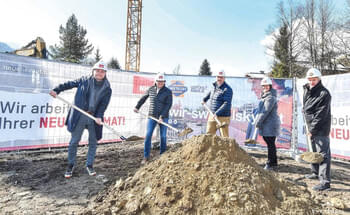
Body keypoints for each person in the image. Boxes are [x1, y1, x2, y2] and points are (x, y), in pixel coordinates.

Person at [49, 60, 112, 178]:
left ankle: (89, 164)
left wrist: (98, 116)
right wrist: (57, 90)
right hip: (80, 115)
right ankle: (70, 164)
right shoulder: (84, 80)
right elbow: (69, 84)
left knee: (93, 142)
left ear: (105, 73)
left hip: (94, 117)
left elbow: (103, 104)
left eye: (102, 71)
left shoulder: (107, 88)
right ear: (93, 71)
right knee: (74, 141)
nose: (99, 73)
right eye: (97, 70)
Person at [134, 72, 173, 164]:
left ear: (164, 82)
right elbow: (143, 98)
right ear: (155, 81)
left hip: (164, 117)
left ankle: (162, 155)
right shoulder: (151, 89)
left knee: (163, 136)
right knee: (148, 135)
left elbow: (168, 105)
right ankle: (146, 157)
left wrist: (162, 116)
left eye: (162, 81)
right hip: (152, 116)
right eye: (158, 81)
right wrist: (137, 107)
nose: (160, 83)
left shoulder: (168, 91)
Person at [303, 68, 332, 191]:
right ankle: (315, 172)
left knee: (323, 154)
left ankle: (325, 182)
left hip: (320, 128)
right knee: (313, 151)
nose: (312, 81)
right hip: (310, 126)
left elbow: (321, 114)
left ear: (319, 79)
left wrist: (312, 130)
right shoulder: (307, 89)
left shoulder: (324, 94)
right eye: (310, 79)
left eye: (314, 79)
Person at [254, 77, 280, 170]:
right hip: (267, 124)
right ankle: (273, 162)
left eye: (267, 85)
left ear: (270, 86)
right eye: (263, 86)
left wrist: (258, 122)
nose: (265, 87)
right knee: (270, 143)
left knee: (270, 143)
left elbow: (265, 112)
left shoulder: (270, 97)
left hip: (270, 124)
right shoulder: (265, 96)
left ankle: (270, 163)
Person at [202, 70, 233, 137]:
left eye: (221, 77)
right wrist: (204, 99)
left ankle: (225, 148)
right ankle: (209, 147)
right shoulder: (214, 86)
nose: (219, 79)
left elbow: (226, 104)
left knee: (224, 137)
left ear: (224, 78)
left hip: (223, 117)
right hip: (212, 115)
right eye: (218, 77)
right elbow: (210, 93)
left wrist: (217, 113)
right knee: (209, 135)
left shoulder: (227, 89)